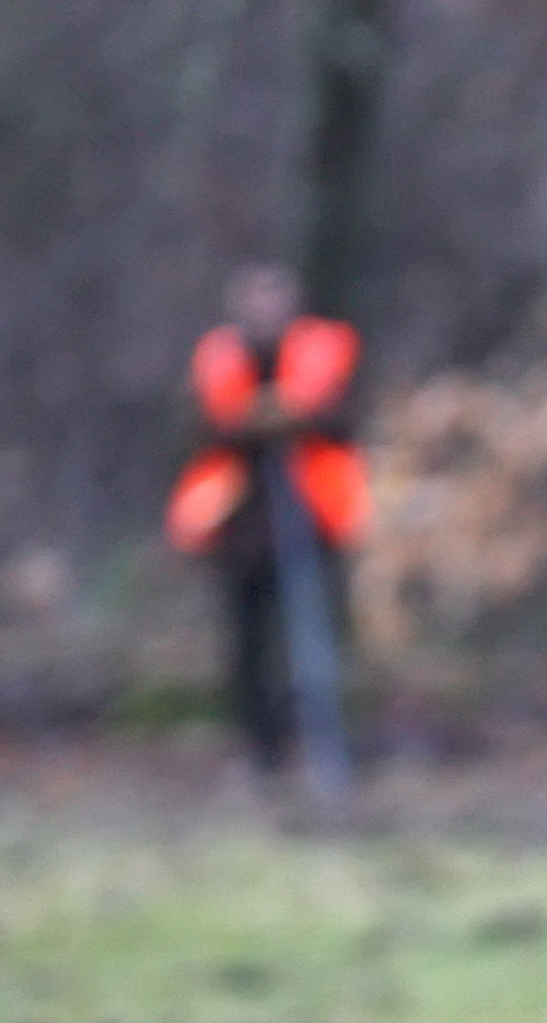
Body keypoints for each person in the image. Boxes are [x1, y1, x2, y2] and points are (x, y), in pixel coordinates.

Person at [166, 265, 371, 775]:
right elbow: (200, 431)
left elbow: (345, 422)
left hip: (314, 522)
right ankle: (262, 752)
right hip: (240, 526)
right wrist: (254, 424)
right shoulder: (218, 358)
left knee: (314, 640)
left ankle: (325, 743)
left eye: (274, 301)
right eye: (255, 302)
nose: (265, 313)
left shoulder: (324, 350)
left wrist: (293, 418)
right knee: (247, 648)